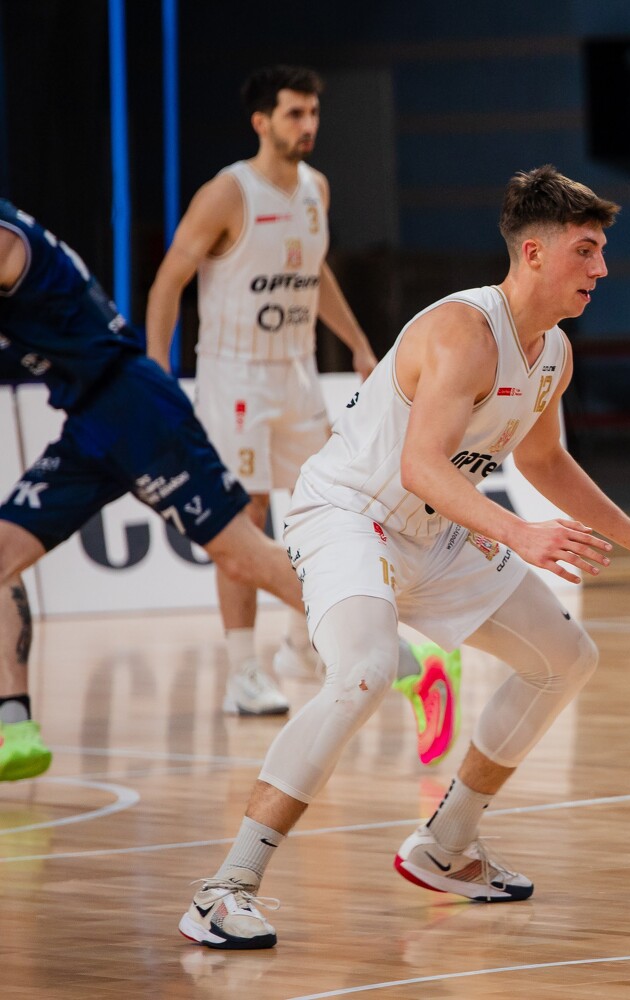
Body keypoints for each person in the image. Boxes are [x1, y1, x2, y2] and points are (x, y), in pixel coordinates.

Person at [179, 165, 630, 950]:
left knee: (565, 658)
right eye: (586, 251)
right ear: (533, 253)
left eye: (602, 251)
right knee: (364, 670)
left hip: (434, 529)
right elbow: (420, 466)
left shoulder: (553, 352)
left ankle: (445, 845)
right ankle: (225, 887)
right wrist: (521, 535)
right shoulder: (464, 332)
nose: (602, 269)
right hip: (349, 514)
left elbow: (543, 461)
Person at [0, 200, 308, 782]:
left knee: (242, 556)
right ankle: (15, 728)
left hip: (134, 407)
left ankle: (400, 650)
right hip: (88, 424)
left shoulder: (5, 234)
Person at [145, 66, 380, 718]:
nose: (308, 125)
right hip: (236, 376)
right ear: (262, 122)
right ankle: (242, 670)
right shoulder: (228, 193)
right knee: (245, 519)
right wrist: (153, 368)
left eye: (313, 113)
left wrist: (359, 343)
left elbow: (313, 274)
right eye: (294, 114)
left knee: (327, 506)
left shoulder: (316, 188)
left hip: (297, 371)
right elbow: (168, 281)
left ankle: (303, 643)